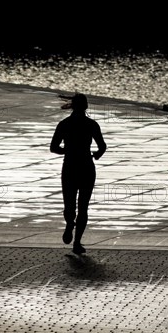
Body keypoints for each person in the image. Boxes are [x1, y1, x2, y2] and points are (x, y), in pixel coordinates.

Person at [50, 93, 106, 254]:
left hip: (69, 165)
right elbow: (102, 146)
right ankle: (77, 242)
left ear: (73, 106)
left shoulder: (64, 124)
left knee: (69, 203)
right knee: (83, 206)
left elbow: (53, 147)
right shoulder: (92, 124)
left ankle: (69, 223)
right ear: (86, 106)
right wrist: (96, 154)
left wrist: (66, 150)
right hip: (87, 166)